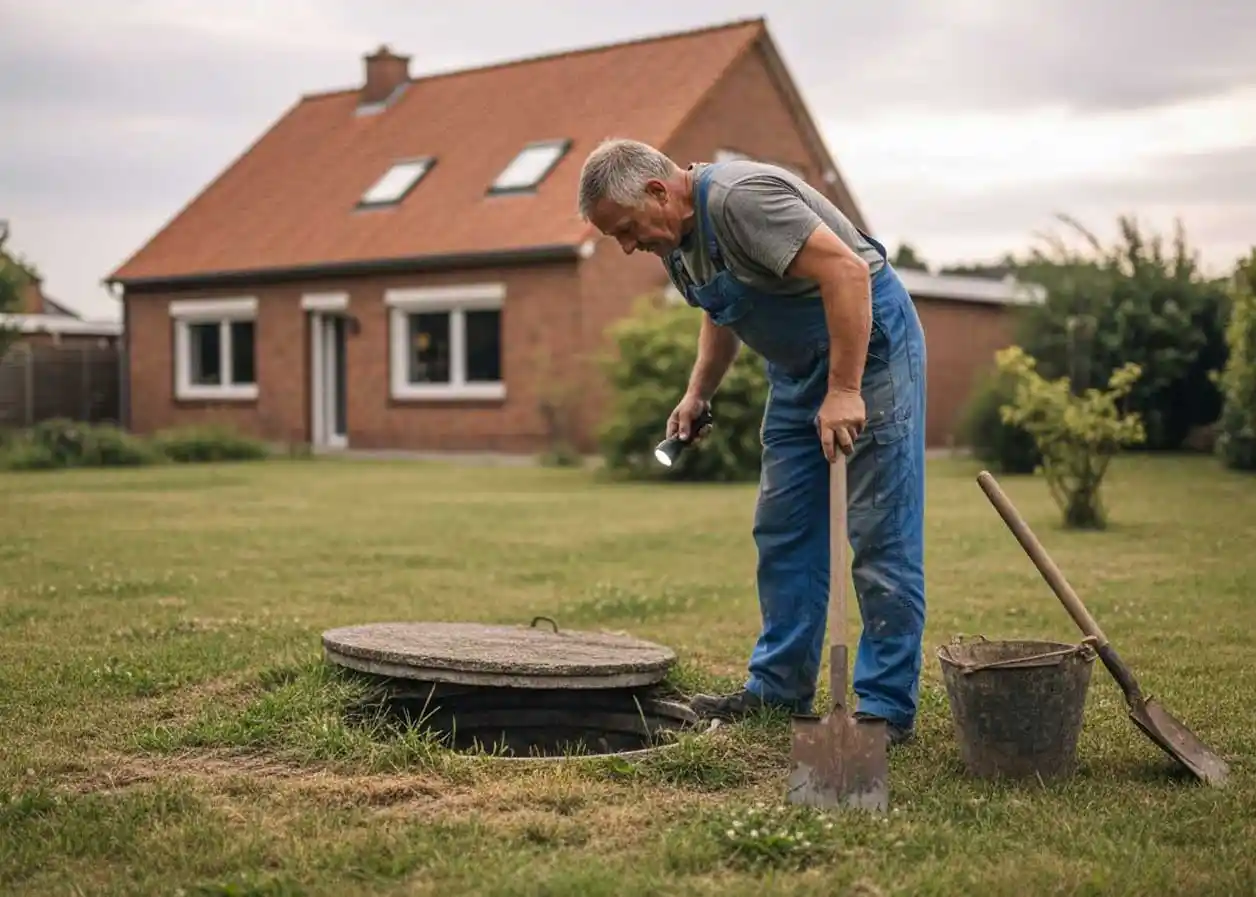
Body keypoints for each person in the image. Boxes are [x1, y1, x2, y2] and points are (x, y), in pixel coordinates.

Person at [576, 139, 928, 746]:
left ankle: (883, 707)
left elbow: (845, 271)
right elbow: (722, 309)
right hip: (795, 370)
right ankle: (778, 688)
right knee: (783, 525)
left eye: (628, 230)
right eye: (618, 238)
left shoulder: (742, 200)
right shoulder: (678, 242)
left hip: (868, 352)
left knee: (879, 530)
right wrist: (698, 392)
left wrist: (845, 388)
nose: (630, 246)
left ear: (659, 191)